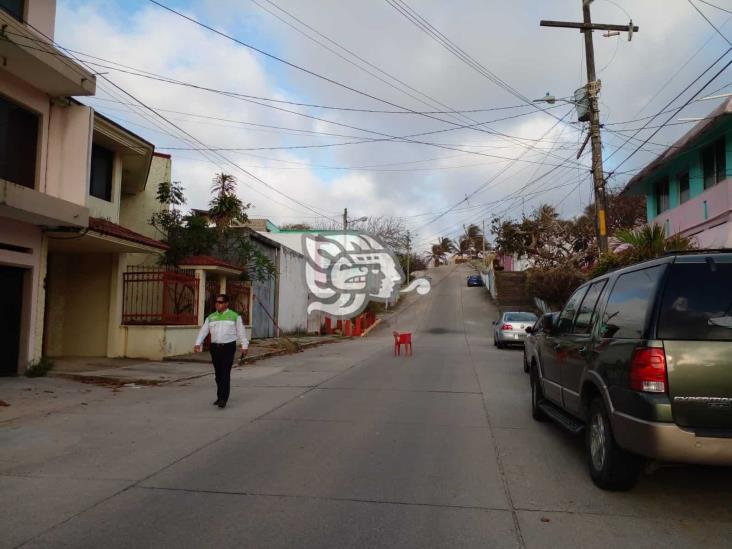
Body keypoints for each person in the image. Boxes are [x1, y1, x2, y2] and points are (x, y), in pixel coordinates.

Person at [194, 294, 248, 408]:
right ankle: (219, 397)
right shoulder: (211, 317)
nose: (217, 304)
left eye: (220, 302)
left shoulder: (234, 316)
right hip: (215, 348)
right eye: (216, 302)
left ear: (226, 304)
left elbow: (241, 332)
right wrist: (198, 343)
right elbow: (204, 331)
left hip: (228, 347)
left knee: (225, 372)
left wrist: (244, 345)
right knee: (218, 374)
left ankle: (223, 399)